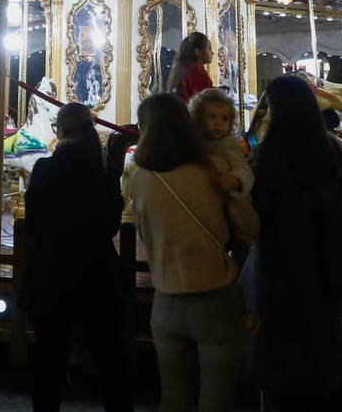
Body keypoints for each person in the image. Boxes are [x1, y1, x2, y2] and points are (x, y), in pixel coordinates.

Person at [245, 76, 342, 410]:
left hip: (281, 259)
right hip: (324, 255)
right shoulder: (329, 146)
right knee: (323, 335)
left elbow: (256, 206)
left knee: (280, 345)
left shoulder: (269, 152)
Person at [129, 93, 250, 412]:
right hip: (213, 295)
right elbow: (245, 229)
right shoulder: (216, 170)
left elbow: (144, 233)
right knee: (216, 399)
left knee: (173, 397)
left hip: (166, 298)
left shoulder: (138, 179)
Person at [24, 103, 132, 412]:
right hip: (96, 276)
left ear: (59, 131)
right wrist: (113, 171)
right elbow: (111, 221)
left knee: (49, 363)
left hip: (51, 276)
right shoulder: (100, 171)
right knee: (111, 362)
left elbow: (33, 222)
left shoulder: (45, 169)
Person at [189, 88, 252, 197]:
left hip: (227, 198)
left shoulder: (228, 145)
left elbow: (243, 169)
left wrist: (236, 179)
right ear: (199, 119)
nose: (218, 123)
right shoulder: (197, 144)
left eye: (224, 119)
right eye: (212, 117)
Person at [166, 31, 216, 103]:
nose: (212, 53)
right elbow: (204, 104)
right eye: (209, 48)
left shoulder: (183, 70)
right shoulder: (198, 74)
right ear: (198, 52)